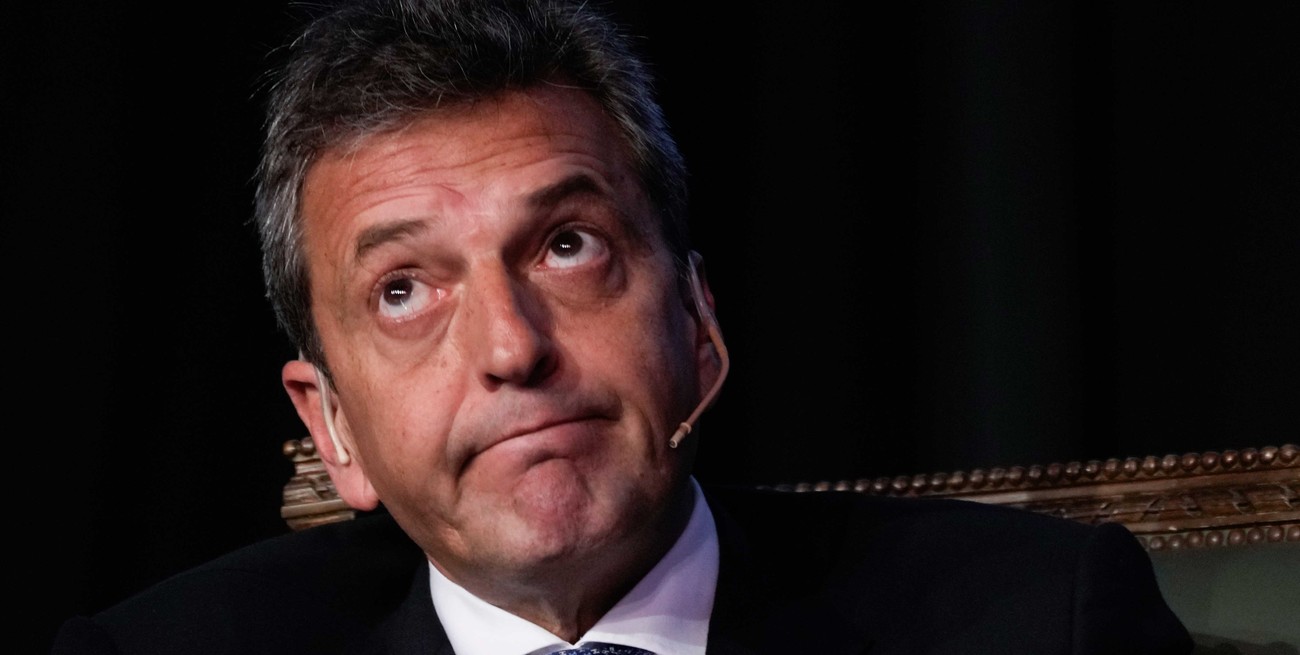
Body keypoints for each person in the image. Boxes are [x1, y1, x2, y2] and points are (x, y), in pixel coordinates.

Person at [51, 0, 1193, 653]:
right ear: (332, 427)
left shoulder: (1042, 623)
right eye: (404, 290)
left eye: (567, 245)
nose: (512, 348)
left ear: (696, 320)